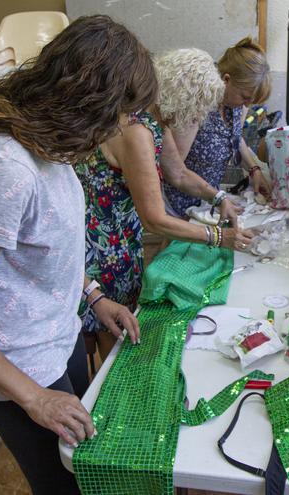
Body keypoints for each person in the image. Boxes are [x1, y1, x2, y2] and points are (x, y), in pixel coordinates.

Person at [0, 16, 152, 493]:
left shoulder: (50, 147)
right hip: (14, 365)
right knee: (67, 485)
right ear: (88, 103)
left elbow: (44, 249)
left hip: (53, 338)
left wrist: (93, 295)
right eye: (122, 112)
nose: (126, 126)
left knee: (88, 469)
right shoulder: (5, 170)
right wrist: (36, 399)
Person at [78, 48, 253, 360]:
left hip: (121, 236)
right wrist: (216, 237)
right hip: (102, 242)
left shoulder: (154, 120)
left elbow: (179, 173)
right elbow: (155, 219)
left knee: (119, 322)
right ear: (183, 98)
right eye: (198, 110)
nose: (198, 119)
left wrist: (219, 198)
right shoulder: (136, 130)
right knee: (111, 333)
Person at [164, 37, 272, 217]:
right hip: (179, 200)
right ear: (226, 80)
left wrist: (254, 169)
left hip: (207, 198)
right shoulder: (197, 105)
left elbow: (235, 137)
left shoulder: (238, 105)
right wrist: (217, 197)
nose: (246, 104)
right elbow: (174, 172)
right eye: (245, 97)